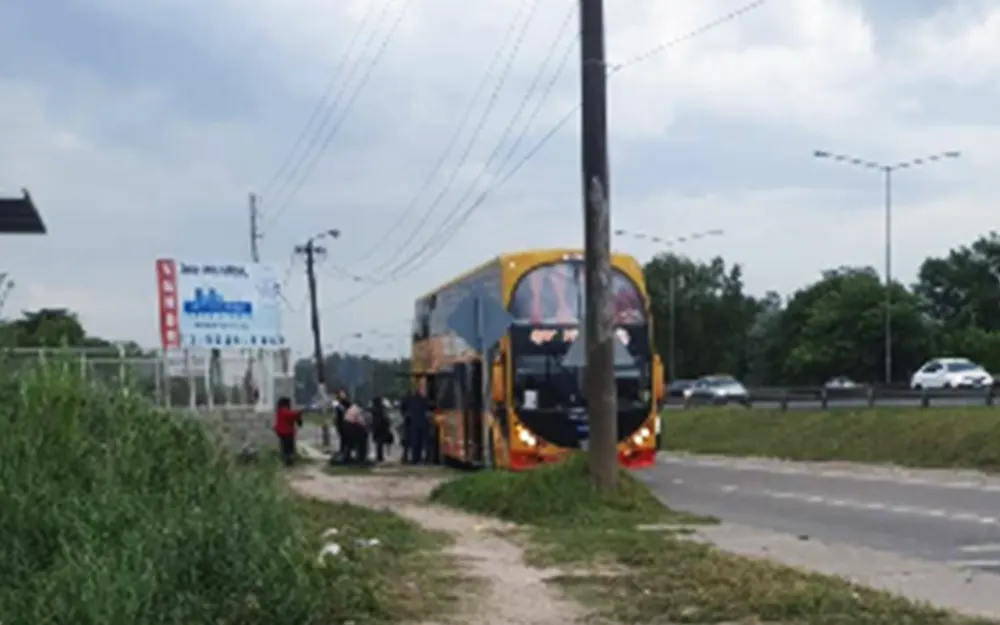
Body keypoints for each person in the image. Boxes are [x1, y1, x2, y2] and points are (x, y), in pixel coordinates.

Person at [402, 387, 432, 464]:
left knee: (414, 442)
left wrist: (406, 416)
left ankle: (415, 459)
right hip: (422, 423)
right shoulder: (424, 399)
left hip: (413, 423)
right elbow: (429, 409)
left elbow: (403, 409)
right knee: (422, 442)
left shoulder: (408, 399)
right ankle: (424, 459)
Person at [273, 396, 302, 467]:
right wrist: (299, 413)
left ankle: (286, 460)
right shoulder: (284, 411)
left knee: (284, 446)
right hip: (287, 432)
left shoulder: (279, 410)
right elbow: (292, 415)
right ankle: (288, 461)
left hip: (281, 432)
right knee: (288, 447)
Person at [369, 395, 393, 463]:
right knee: (381, 443)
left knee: (378, 443)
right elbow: (386, 417)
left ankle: (378, 456)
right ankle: (380, 456)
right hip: (382, 427)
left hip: (376, 427)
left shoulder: (373, 409)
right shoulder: (382, 408)